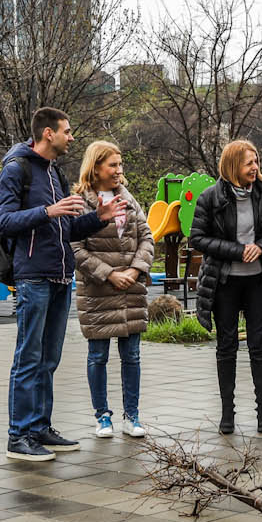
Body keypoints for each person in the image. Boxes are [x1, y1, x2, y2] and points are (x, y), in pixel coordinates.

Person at [0, 107, 120, 462]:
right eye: (67, 131)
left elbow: (67, 228)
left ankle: (40, 428)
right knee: (28, 358)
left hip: (60, 276)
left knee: (49, 359)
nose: (72, 137)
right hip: (33, 276)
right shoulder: (16, 169)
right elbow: (3, 221)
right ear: (48, 133)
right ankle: (18, 436)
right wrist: (47, 211)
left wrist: (98, 218)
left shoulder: (55, 173)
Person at [192, 138, 262, 435]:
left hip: (258, 281)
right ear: (234, 165)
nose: (255, 167)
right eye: (249, 163)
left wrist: (260, 247)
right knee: (227, 347)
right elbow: (197, 238)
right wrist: (237, 251)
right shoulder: (210, 198)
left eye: (256, 161)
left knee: (260, 347)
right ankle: (227, 414)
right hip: (224, 283)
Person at [73, 140, 155, 440]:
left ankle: (131, 415)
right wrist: (109, 274)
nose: (119, 170)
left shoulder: (128, 199)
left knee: (132, 355)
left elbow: (147, 238)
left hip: (130, 290)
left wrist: (134, 270)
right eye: (113, 165)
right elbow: (75, 248)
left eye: (120, 164)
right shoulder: (81, 203)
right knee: (98, 356)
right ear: (95, 168)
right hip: (98, 293)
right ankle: (102, 416)